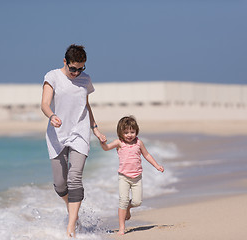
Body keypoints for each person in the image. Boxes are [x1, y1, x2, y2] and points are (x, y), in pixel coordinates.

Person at [41, 44, 106, 237]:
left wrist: (95, 128)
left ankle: (71, 226)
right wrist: (51, 116)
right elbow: (44, 103)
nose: (77, 72)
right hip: (57, 135)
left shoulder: (85, 80)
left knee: (75, 177)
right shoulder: (52, 77)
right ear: (65, 62)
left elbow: (85, 105)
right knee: (61, 184)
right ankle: (72, 211)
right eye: (73, 68)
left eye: (81, 68)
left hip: (80, 132)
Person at [99, 116, 164, 235]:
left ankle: (128, 208)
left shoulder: (139, 142)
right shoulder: (119, 142)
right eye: (126, 132)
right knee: (122, 201)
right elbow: (106, 148)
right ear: (120, 132)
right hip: (123, 177)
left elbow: (147, 155)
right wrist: (102, 142)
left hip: (137, 178)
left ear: (136, 131)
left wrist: (157, 165)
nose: (129, 135)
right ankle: (122, 228)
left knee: (137, 202)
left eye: (132, 132)